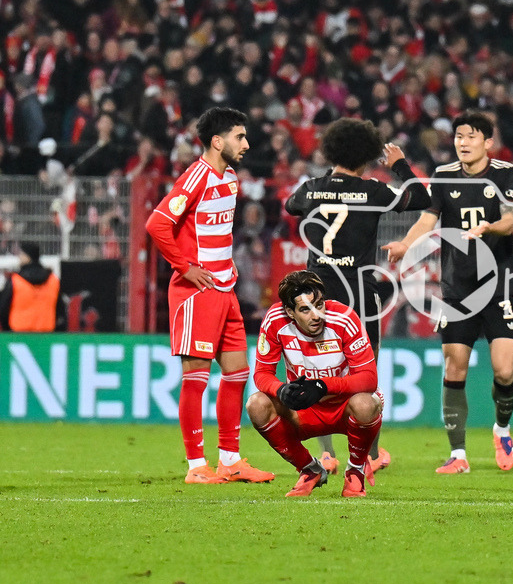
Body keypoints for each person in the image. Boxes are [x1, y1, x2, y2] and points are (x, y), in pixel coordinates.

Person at [285, 117, 430, 476]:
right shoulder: (373, 191)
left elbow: (290, 205)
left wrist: (326, 186)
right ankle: (368, 456)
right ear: (366, 155)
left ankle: (327, 454)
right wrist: (399, 164)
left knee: (317, 368)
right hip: (358, 293)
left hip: (315, 294)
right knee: (365, 374)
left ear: (331, 150)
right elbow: (421, 197)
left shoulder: (311, 188)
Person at [384, 110, 513, 474]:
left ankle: (502, 429)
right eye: (459, 136)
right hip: (457, 287)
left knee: (504, 371)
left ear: (488, 142)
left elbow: (511, 220)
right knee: (454, 365)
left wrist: (490, 227)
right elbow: (427, 219)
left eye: (471, 136)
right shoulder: (444, 176)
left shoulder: (507, 174)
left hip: (499, 283)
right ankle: (458, 455)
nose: (463, 142)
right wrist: (406, 245)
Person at [145, 107, 274, 485]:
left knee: (237, 373)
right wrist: (184, 267)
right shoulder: (195, 177)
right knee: (196, 377)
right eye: (239, 137)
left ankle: (230, 461)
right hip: (196, 292)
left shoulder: (230, 178)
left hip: (225, 289)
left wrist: (225, 267)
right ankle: (196, 466)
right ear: (217, 141)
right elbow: (157, 224)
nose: (246, 144)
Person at [247, 270, 382, 497]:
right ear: (290, 312)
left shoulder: (344, 317)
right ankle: (309, 469)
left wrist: (322, 386)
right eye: (305, 310)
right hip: (303, 411)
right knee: (256, 404)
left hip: (344, 407)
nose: (316, 315)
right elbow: (262, 373)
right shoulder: (275, 321)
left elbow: (369, 378)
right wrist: (281, 390)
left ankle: (355, 471)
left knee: (367, 403)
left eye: (319, 305)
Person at [0, 242, 62, 332]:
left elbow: (3, 308)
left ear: (28, 257)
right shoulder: (53, 280)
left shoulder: (16, 280)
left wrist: (7, 330)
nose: (19, 257)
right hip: (46, 332)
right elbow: (60, 309)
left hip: (18, 333)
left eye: (21, 254)